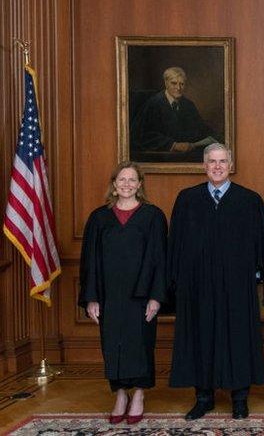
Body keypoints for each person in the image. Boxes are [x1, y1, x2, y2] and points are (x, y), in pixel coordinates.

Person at [168, 143, 264, 420]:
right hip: (197, 286)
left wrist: (259, 278)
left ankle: (239, 398)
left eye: (222, 161)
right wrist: (176, 282)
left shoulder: (249, 200)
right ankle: (203, 397)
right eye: (212, 161)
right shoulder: (187, 200)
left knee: (238, 337)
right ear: (204, 165)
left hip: (237, 285)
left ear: (231, 165)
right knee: (200, 338)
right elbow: (175, 244)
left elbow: (262, 245)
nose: (217, 166)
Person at [78, 162, 167, 425]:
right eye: (121, 180)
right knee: (112, 344)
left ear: (140, 185)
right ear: (114, 185)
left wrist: (156, 296)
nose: (126, 184)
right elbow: (89, 261)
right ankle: (120, 394)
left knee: (141, 344)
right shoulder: (99, 218)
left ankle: (139, 394)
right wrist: (92, 297)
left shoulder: (153, 216)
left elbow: (160, 259)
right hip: (109, 295)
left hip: (141, 294)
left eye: (132, 180)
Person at [131, 66, 219, 161]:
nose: (178, 88)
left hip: (185, 157)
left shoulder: (188, 105)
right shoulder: (153, 104)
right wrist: (173, 145)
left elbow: (201, 129)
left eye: (182, 84)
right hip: (160, 158)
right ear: (166, 83)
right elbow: (142, 134)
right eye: (174, 83)